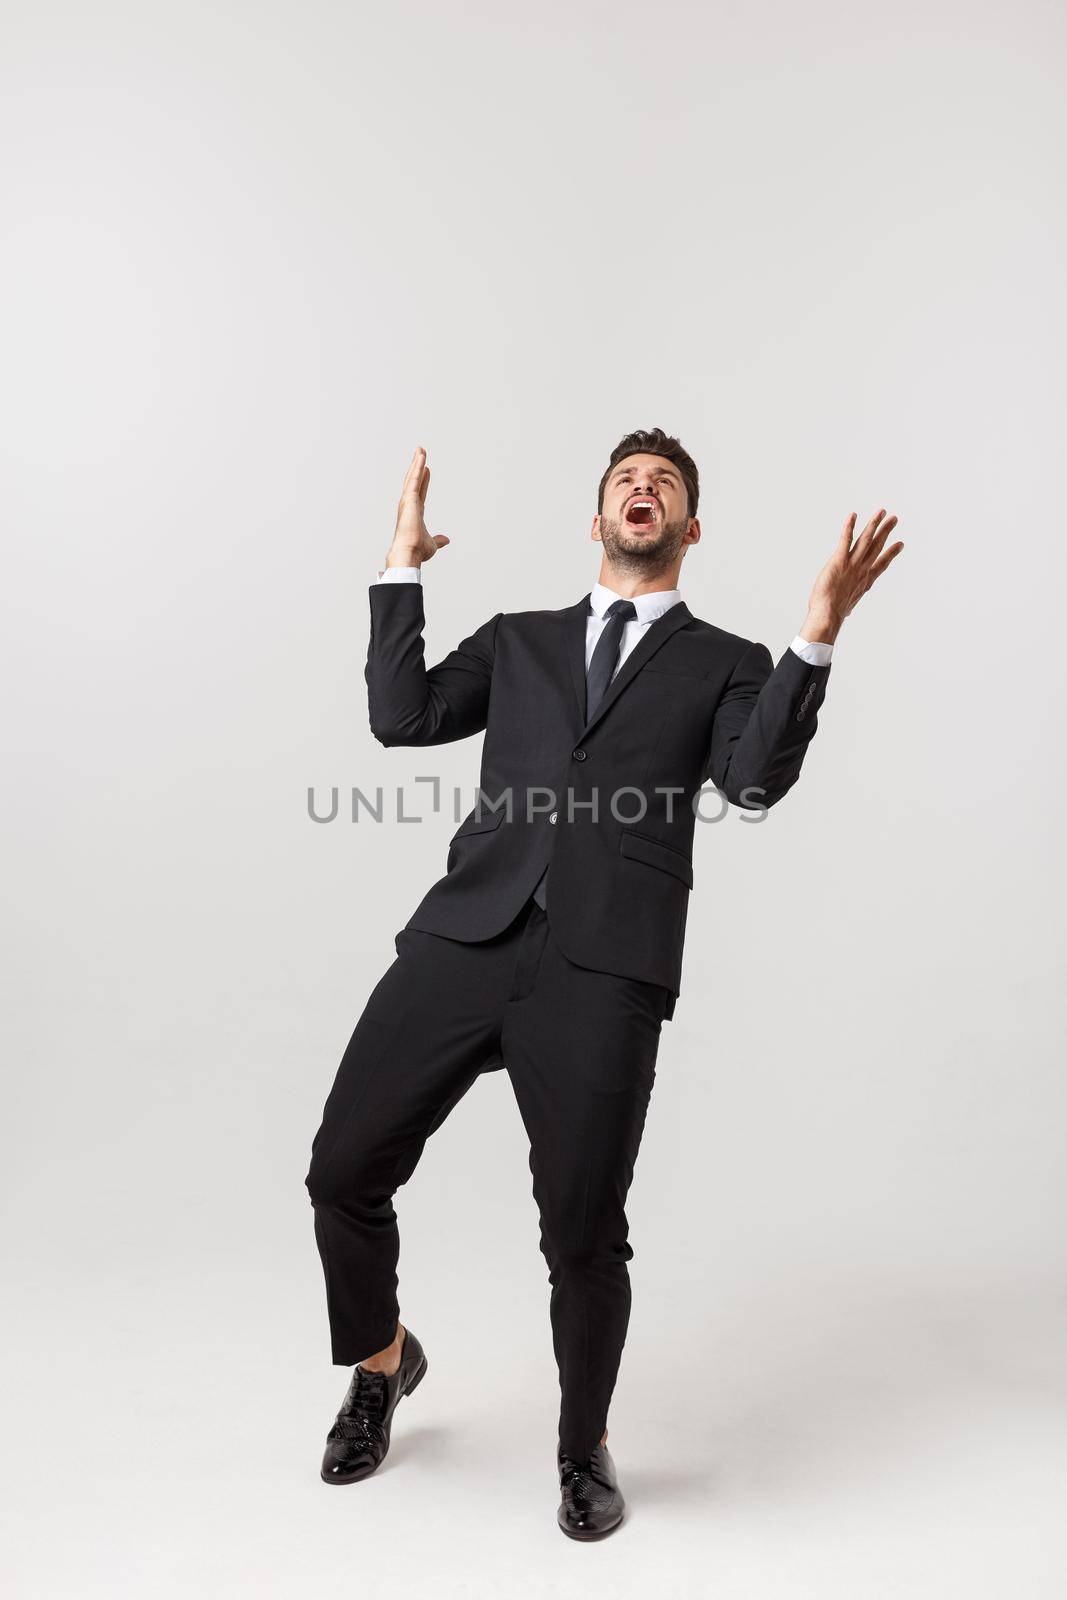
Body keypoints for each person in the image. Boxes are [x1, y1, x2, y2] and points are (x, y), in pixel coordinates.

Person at [304, 427, 903, 1539]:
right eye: (626, 481)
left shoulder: (725, 661)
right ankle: (383, 1361)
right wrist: (402, 565)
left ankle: (584, 1445)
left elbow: (750, 781)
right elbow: (402, 718)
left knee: (581, 1233)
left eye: (663, 484)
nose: (643, 490)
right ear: (595, 519)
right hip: (466, 935)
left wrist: (813, 633)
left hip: (604, 966)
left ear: (687, 527)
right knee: (341, 1168)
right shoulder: (520, 641)